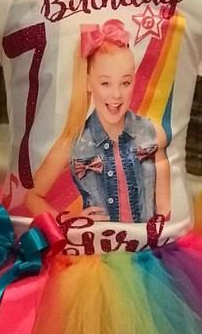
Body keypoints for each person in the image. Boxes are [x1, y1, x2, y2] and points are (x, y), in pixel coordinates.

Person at [25, 19, 170, 222]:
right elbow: (32, 197)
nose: (116, 94)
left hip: (145, 246)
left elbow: (165, 211)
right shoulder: (74, 140)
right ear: (88, 83)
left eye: (125, 82)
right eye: (105, 83)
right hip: (95, 247)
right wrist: (66, 222)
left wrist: (161, 228)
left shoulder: (152, 132)